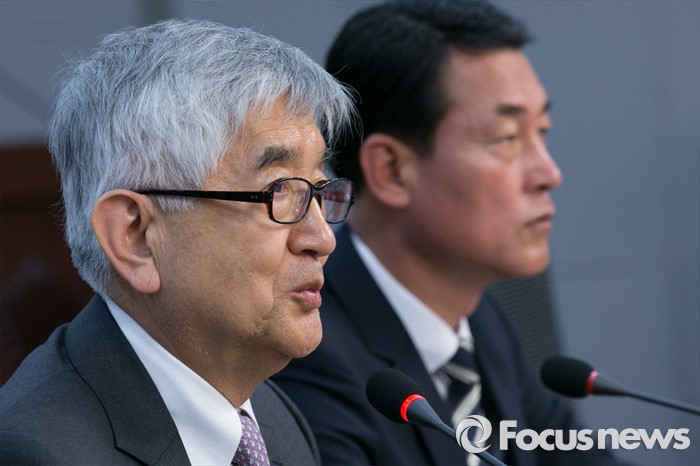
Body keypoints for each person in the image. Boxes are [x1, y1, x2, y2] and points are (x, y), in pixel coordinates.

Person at [274, 1, 624, 464]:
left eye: (542, 131)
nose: (549, 173)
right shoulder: (308, 355)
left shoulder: (481, 322)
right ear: (392, 170)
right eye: (507, 138)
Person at [0, 18, 356, 465]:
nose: (322, 239)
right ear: (136, 237)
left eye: (319, 190)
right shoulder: (38, 452)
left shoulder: (273, 418)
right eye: (279, 192)